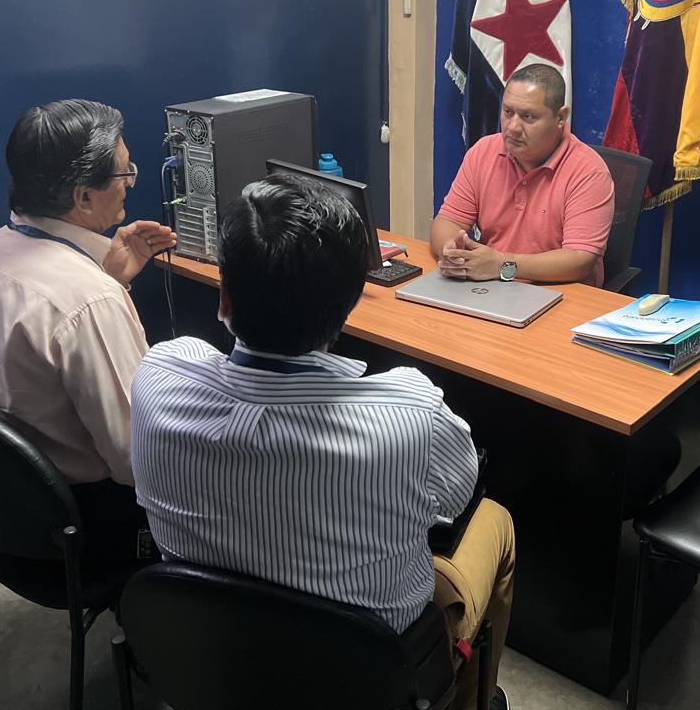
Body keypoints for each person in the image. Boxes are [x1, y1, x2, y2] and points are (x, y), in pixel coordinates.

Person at [131, 174, 515, 710]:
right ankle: (466, 697)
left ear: (225, 296)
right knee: (496, 522)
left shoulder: (158, 377)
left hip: (212, 661)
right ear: (350, 303)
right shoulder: (411, 413)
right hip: (369, 681)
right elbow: (454, 500)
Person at [0, 99, 175, 563]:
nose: (130, 182)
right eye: (125, 172)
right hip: (89, 529)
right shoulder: (89, 301)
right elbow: (137, 462)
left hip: (0, 512)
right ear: (83, 197)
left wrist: (111, 279)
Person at [431, 63, 615, 287]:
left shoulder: (589, 172)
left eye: (528, 116)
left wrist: (502, 265)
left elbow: (579, 260)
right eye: (508, 112)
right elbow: (448, 220)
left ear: (561, 117)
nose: (513, 127)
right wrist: (451, 251)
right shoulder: (483, 152)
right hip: (489, 285)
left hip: (560, 291)